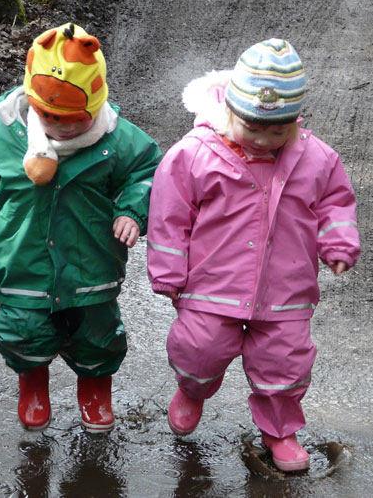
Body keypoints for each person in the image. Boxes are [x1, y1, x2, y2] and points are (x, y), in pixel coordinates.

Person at [147, 38, 360, 472]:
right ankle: (193, 388)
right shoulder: (195, 154)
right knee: (198, 348)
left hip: (286, 288)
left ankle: (280, 430)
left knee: (285, 362)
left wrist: (338, 242)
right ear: (230, 110)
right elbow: (169, 214)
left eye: (277, 130)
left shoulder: (316, 158)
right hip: (212, 283)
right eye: (253, 127)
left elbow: (336, 201)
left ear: (295, 121)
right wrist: (169, 270)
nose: (264, 139)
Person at [0, 23, 162, 433]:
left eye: (75, 120)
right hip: (22, 262)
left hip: (90, 262)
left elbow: (147, 170)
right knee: (23, 330)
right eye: (51, 117)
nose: (63, 129)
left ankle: (95, 388)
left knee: (98, 334)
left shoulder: (115, 138)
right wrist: (1, 220)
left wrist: (131, 210)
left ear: (95, 104)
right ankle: (32, 383)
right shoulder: (1, 130)